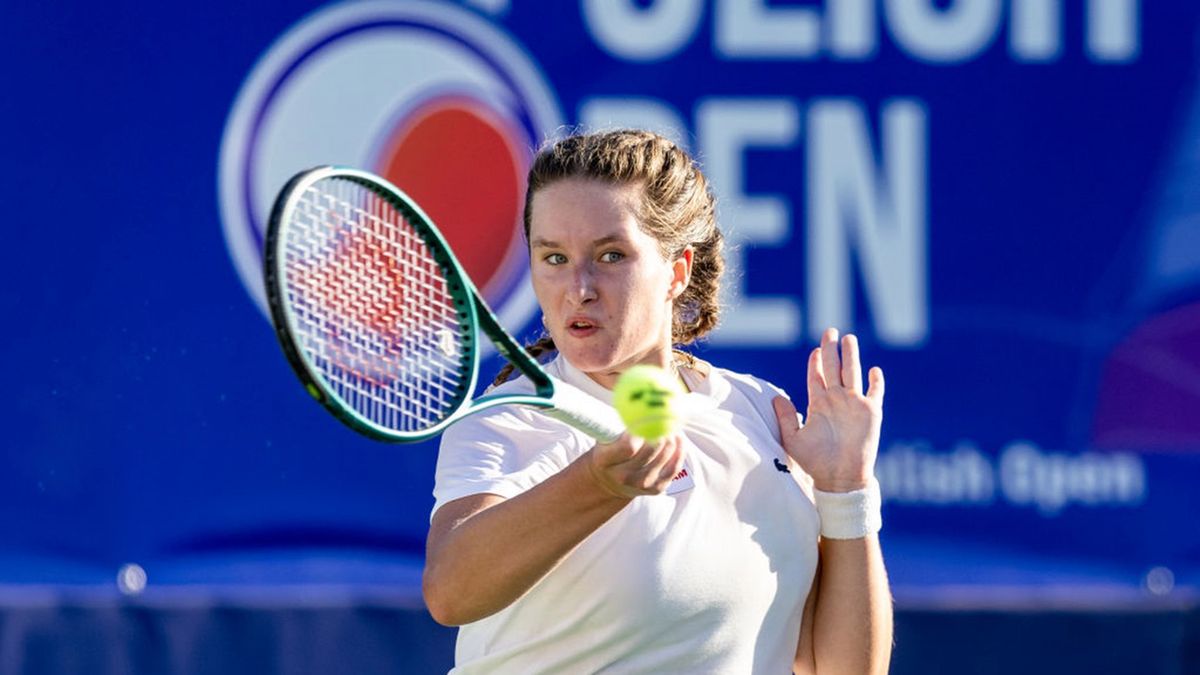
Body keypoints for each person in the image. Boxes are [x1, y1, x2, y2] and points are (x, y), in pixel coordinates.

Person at [423, 129, 892, 674]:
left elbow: (841, 669)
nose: (579, 287)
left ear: (676, 271)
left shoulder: (761, 414)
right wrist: (597, 484)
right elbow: (450, 591)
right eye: (553, 257)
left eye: (611, 254)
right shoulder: (515, 419)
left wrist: (845, 491)